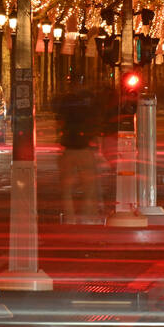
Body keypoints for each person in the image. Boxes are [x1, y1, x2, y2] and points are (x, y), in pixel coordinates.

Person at [56, 82, 100, 223]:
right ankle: (87, 216)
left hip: (68, 149)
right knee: (89, 187)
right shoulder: (88, 105)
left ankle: (70, 219)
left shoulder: (66, 103)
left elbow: (59, 122)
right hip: (84, 149)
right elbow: (94, 122)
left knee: (66, 189)